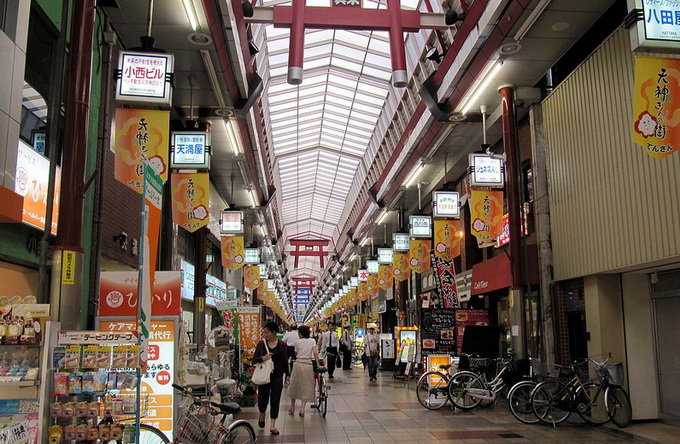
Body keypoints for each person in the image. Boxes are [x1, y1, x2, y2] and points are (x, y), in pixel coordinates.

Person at [252, 322, 288, 435]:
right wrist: (264, 357)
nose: (264, 334)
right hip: (264, 375)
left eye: (266, 332)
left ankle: (272, 425)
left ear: (273, 332)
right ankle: (262, 413)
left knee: (275, 399)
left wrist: (288, 374)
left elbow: (285, 361)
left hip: (277, 375)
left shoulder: (282, 345)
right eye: (264, 332)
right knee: (262, 399)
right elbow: (254, 359)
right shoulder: (261, 344)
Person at [287, 325, 323, 416]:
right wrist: (318, 365)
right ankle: (302, 408)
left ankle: (292, 407)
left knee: (294, 385)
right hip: (308, 365)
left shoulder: (297, 342)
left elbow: (296, 353)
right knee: (306, 386)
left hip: (298, 364)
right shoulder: (312, 341)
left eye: (299, 333)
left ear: (301, 333)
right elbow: (315, 353)